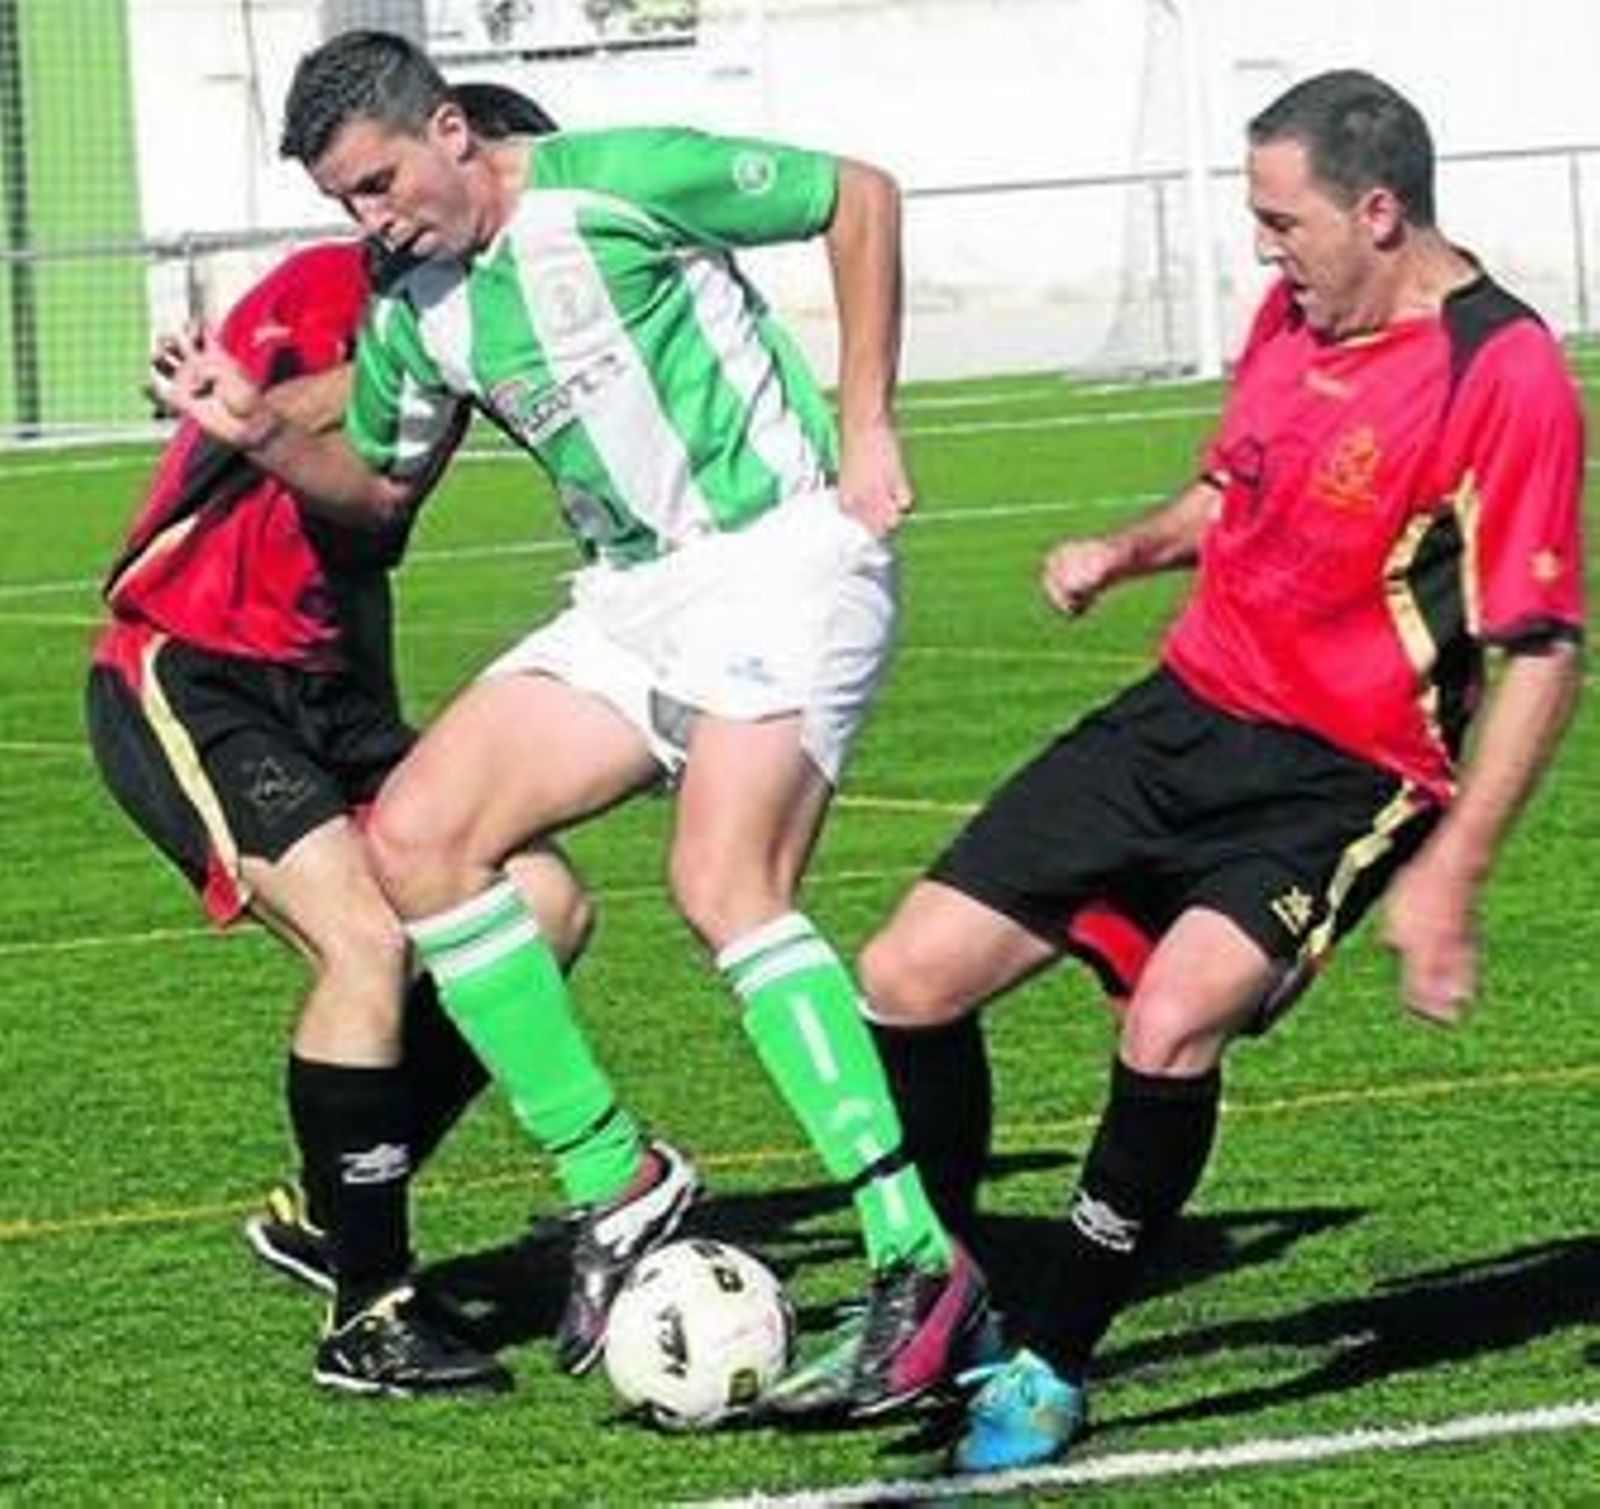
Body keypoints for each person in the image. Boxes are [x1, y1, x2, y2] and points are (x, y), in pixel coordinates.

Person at [148, 29, 986, 1412]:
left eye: (378, 183)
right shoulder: (414, 298)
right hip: (630, 598)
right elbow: (376, 492)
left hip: (781, 553)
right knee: (421, 834)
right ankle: (620, 1176)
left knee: (722, 883)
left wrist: (870, 419)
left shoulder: (622, 181)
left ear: (453, 130)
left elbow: (861, 195)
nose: (370, 219)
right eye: (344, 202)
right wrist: (260, 434)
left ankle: (915, 1254)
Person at [851, 69, 1586, 1470]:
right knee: (906, 973)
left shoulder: (1505, 371)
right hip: (1179, 714)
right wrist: (1130, 548)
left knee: (1173, 1022)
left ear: (1379, 211)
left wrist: (1455, 877)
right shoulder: (1296, 310)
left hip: (1345, 771)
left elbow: (1541, 650)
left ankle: (1052, 1356)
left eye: (1280, 219)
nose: (1262, 248)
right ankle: (951, 1287)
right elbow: (1230, 487)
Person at [90, 84, 590, 1397]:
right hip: (190, 665)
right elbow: (253, 408)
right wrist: (398, 360)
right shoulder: (331, 281)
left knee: (542, 905)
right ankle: (369, 1308)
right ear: (457, 154)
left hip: (332, 688)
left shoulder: (482, 318)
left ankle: (330, 1205)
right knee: (364, 940)